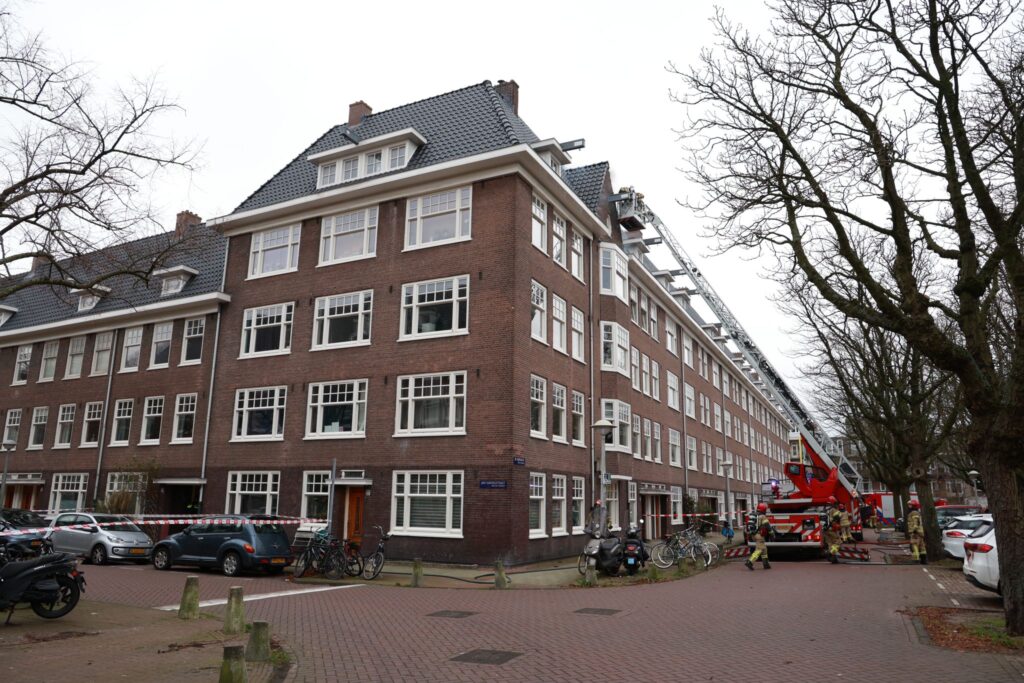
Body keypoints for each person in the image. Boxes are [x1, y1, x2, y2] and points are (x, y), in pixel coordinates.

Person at [745, 503, 772, 570]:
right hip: (759, 535)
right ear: (763, 510)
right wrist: (772, 534)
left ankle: (766, 564)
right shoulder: (762, 516)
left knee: (764, 549)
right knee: (759, 549)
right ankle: (750, 562)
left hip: (753, 535)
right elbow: (767, 526)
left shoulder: (753, 515)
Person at [907, 499, 926, 564]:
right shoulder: (917, 512)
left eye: (910, 505)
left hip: (915, 532)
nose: (909, 506)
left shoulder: (914, 513)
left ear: (914, 506)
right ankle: (924, 560)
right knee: (922, 546)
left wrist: (914, 530)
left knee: (914, 545)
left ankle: (915, 560)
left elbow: (916, 522)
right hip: (920, 532)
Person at [824, 496, 842, 564]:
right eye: (836, 503)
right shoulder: (834, 510)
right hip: (832, 529)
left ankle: (832, 558)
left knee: (830, 543)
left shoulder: (825, 510)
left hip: (825, 530)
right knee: (838, 542)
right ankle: (831, 553)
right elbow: (838, 517)